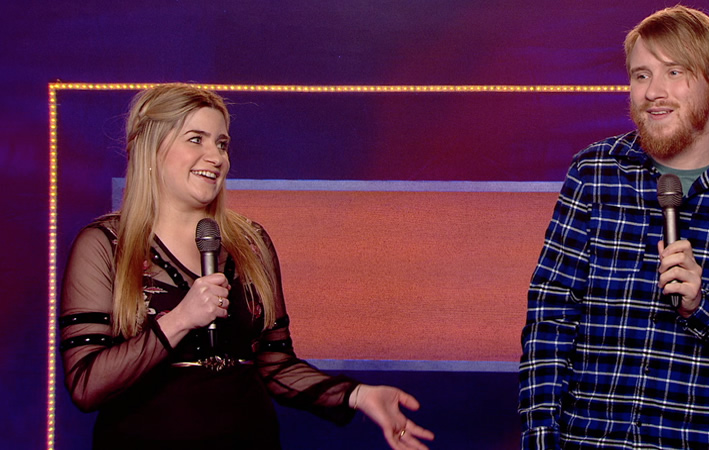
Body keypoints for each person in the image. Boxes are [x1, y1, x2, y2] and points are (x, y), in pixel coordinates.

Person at [59, 83, 435, 450]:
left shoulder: (250, 242)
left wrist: (357, 395)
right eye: (196, 139)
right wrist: (180, 319)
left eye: (221, 144)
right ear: (151, 148)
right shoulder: (106, 246)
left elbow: (275, 365)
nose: (216, 157)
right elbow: (87, 385)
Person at [518, 6, 709, 449]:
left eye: (674, 72)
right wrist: (541, 436)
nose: (653, 93)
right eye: (641, 76)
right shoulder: (595, 172)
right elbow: (550, 314)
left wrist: (705, 307)